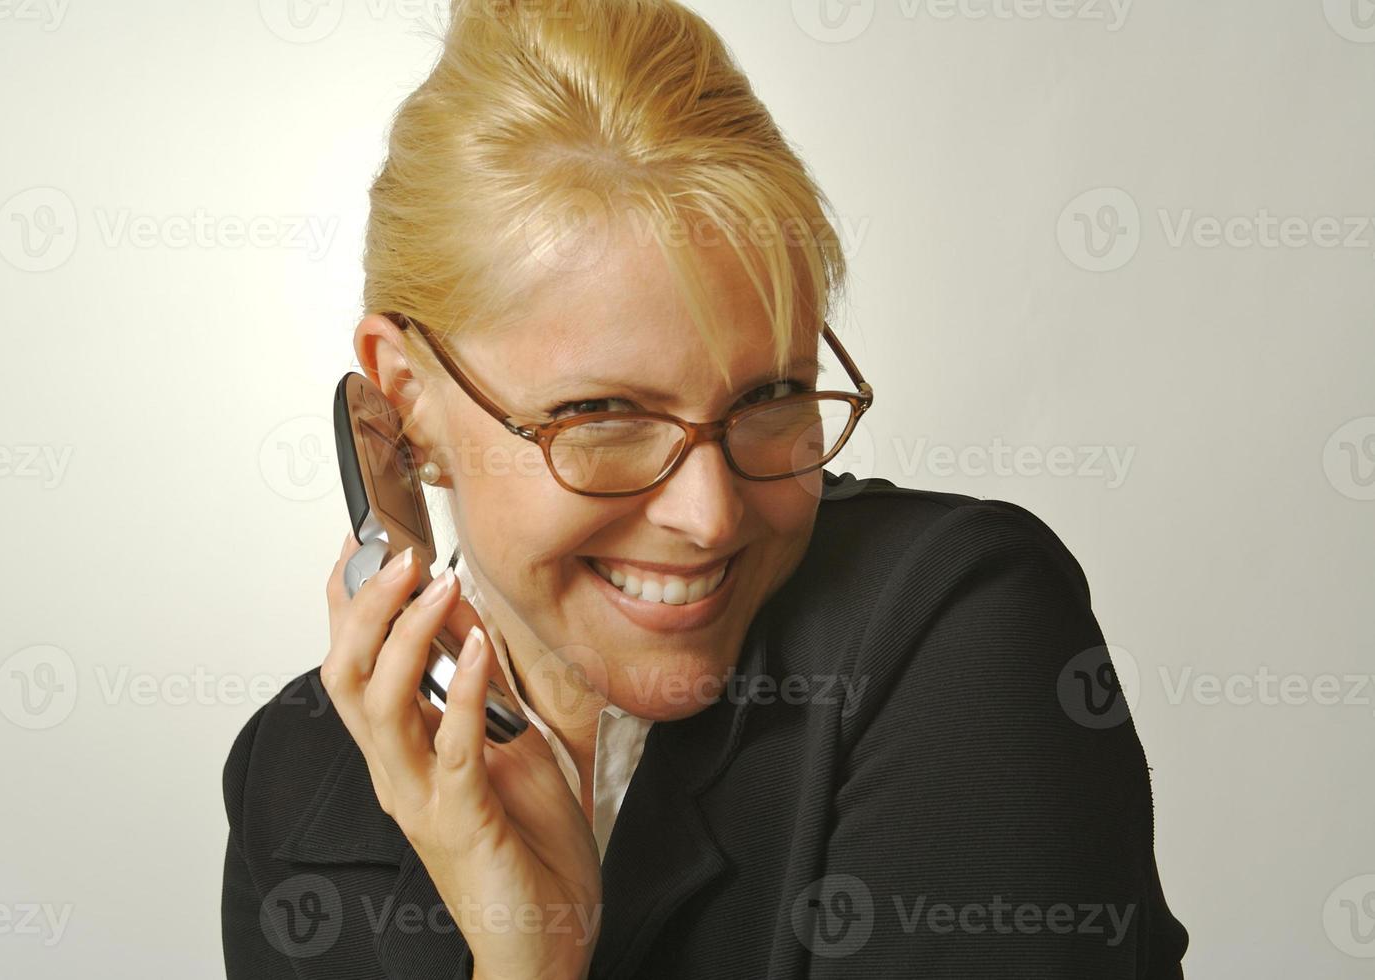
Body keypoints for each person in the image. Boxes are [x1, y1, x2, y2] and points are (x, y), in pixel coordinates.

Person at [221, 1, 1190, 977]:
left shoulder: (954, 626)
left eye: (770, 394)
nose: (711, 513)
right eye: (601, 413)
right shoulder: (291, 782)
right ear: (406, 403)